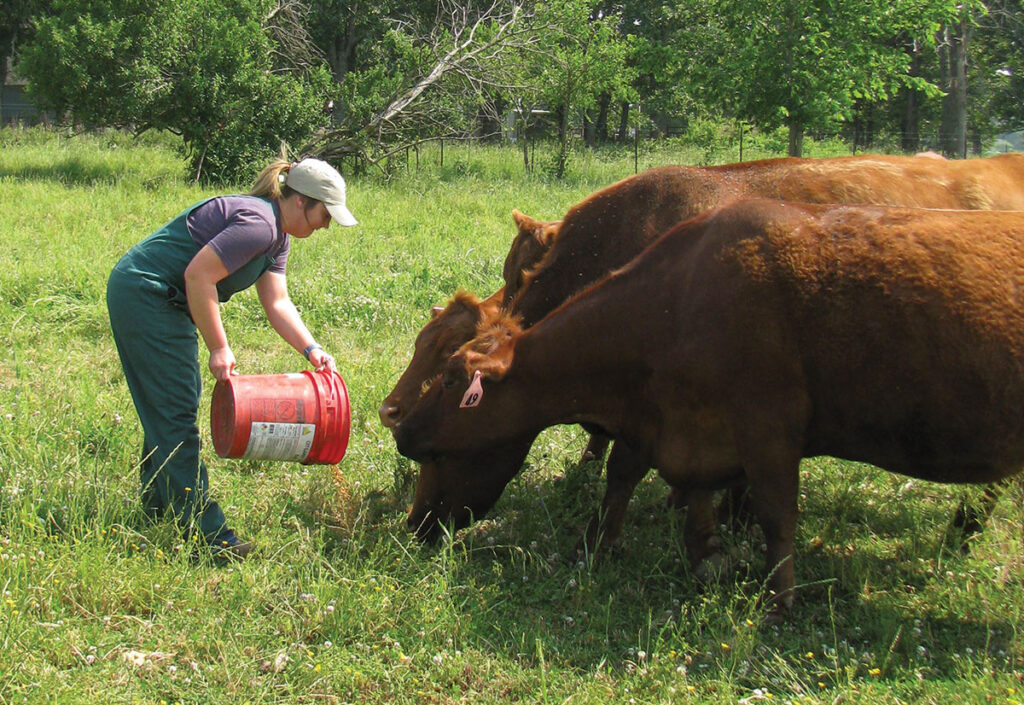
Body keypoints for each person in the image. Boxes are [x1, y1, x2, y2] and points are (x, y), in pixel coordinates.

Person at [107, 157, 357, 559]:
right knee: (174, 413)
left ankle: (158, 511)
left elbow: (277, 302)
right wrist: (219, 348)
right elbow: (198, 277)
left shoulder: (278, 236)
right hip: (146, 295)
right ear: (300, 202)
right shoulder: (258, 224)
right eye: (324, 215)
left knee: (169, 409)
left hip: (167, 303)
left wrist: (312, 350)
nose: (325, 225)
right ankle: (207, 537)